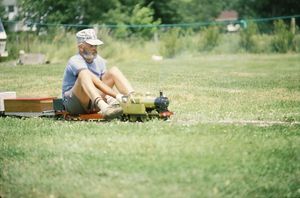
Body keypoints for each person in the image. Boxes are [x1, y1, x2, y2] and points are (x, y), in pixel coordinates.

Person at [62, 28, 135, 119]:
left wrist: (111, 97)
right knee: (84, 74)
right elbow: (97, 82)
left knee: (113, 71)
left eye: (96, 45)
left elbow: (102, 83)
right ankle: (104, 107)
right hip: (75, 104)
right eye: (91, 45)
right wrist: (116, 96)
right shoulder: (75, 61)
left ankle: (133, 100)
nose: (95, 48)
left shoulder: (99, 60)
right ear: (81, 47)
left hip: (92, 102)